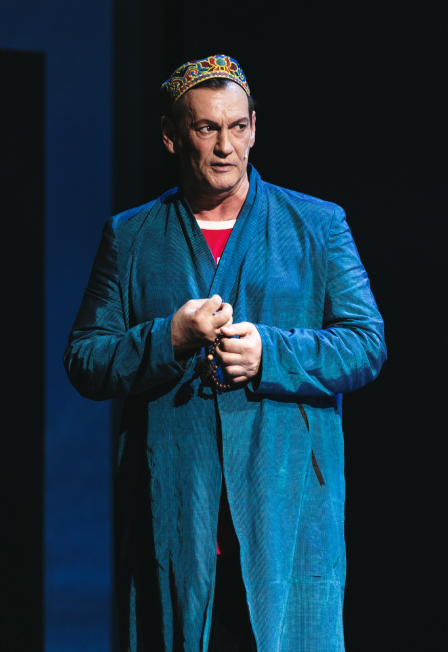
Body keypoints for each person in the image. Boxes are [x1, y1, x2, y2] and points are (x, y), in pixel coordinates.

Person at [64, 54, 386, 651]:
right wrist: (167, 338)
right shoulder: (131, 237)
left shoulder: (316, 225)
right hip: (177, 511)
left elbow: (366, 343)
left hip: (285, 508)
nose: (224, 146)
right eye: (206, 128)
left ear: (255, 128)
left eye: (238, 126)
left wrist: (271, 354)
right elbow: (85, 359)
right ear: (171, 134)